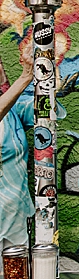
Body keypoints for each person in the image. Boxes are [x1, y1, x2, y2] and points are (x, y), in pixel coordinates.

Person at [0, 46, 35, 252]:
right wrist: (24, 78)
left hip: (16, 217)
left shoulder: (13, 107)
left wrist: (47, 80)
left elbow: (46, 111)